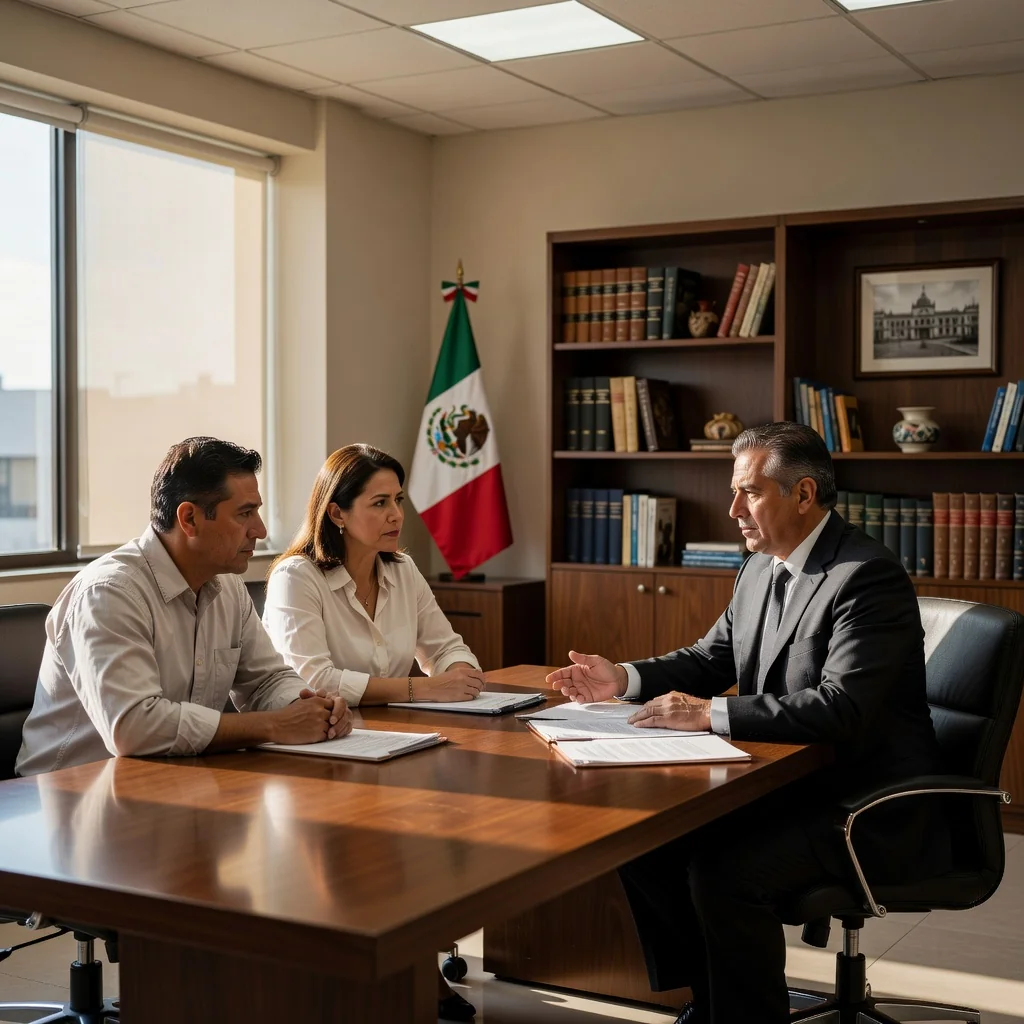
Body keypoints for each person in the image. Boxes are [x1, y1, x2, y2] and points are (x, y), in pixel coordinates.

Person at [545, 421, 949, 1024]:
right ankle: (710, 1003)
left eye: (750, 492)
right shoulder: (760, 567)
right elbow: (712, 658)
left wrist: (709, 714)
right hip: (788, 785)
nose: (732, 508)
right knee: (643, 840)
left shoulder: (866, 576)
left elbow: (843, 706)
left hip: (861, 803)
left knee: (724, 872)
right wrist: (622, 679)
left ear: (804, 494)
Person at [262, 443, 483, 1023]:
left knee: (452, 825)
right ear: (336, 513)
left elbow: (444, 645)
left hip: (386, 745)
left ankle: (413, 968)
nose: (395, 516)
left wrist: (458, 671)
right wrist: (419, 690)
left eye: (399, 501)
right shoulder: (296, 577)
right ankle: (401, 981)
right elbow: (313, 676)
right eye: (379, 503)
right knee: (380, 851)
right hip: (316, 752)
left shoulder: (402, 569)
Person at [17, 438, 352, 777]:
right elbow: (133, 728)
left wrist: (311, 708)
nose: (260, 530)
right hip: (64, 799)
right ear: (189, 519)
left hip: (168, 782)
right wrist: (274, 726)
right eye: (245, 513)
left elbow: (266, 681)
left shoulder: (228, 586)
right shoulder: (108, 593)